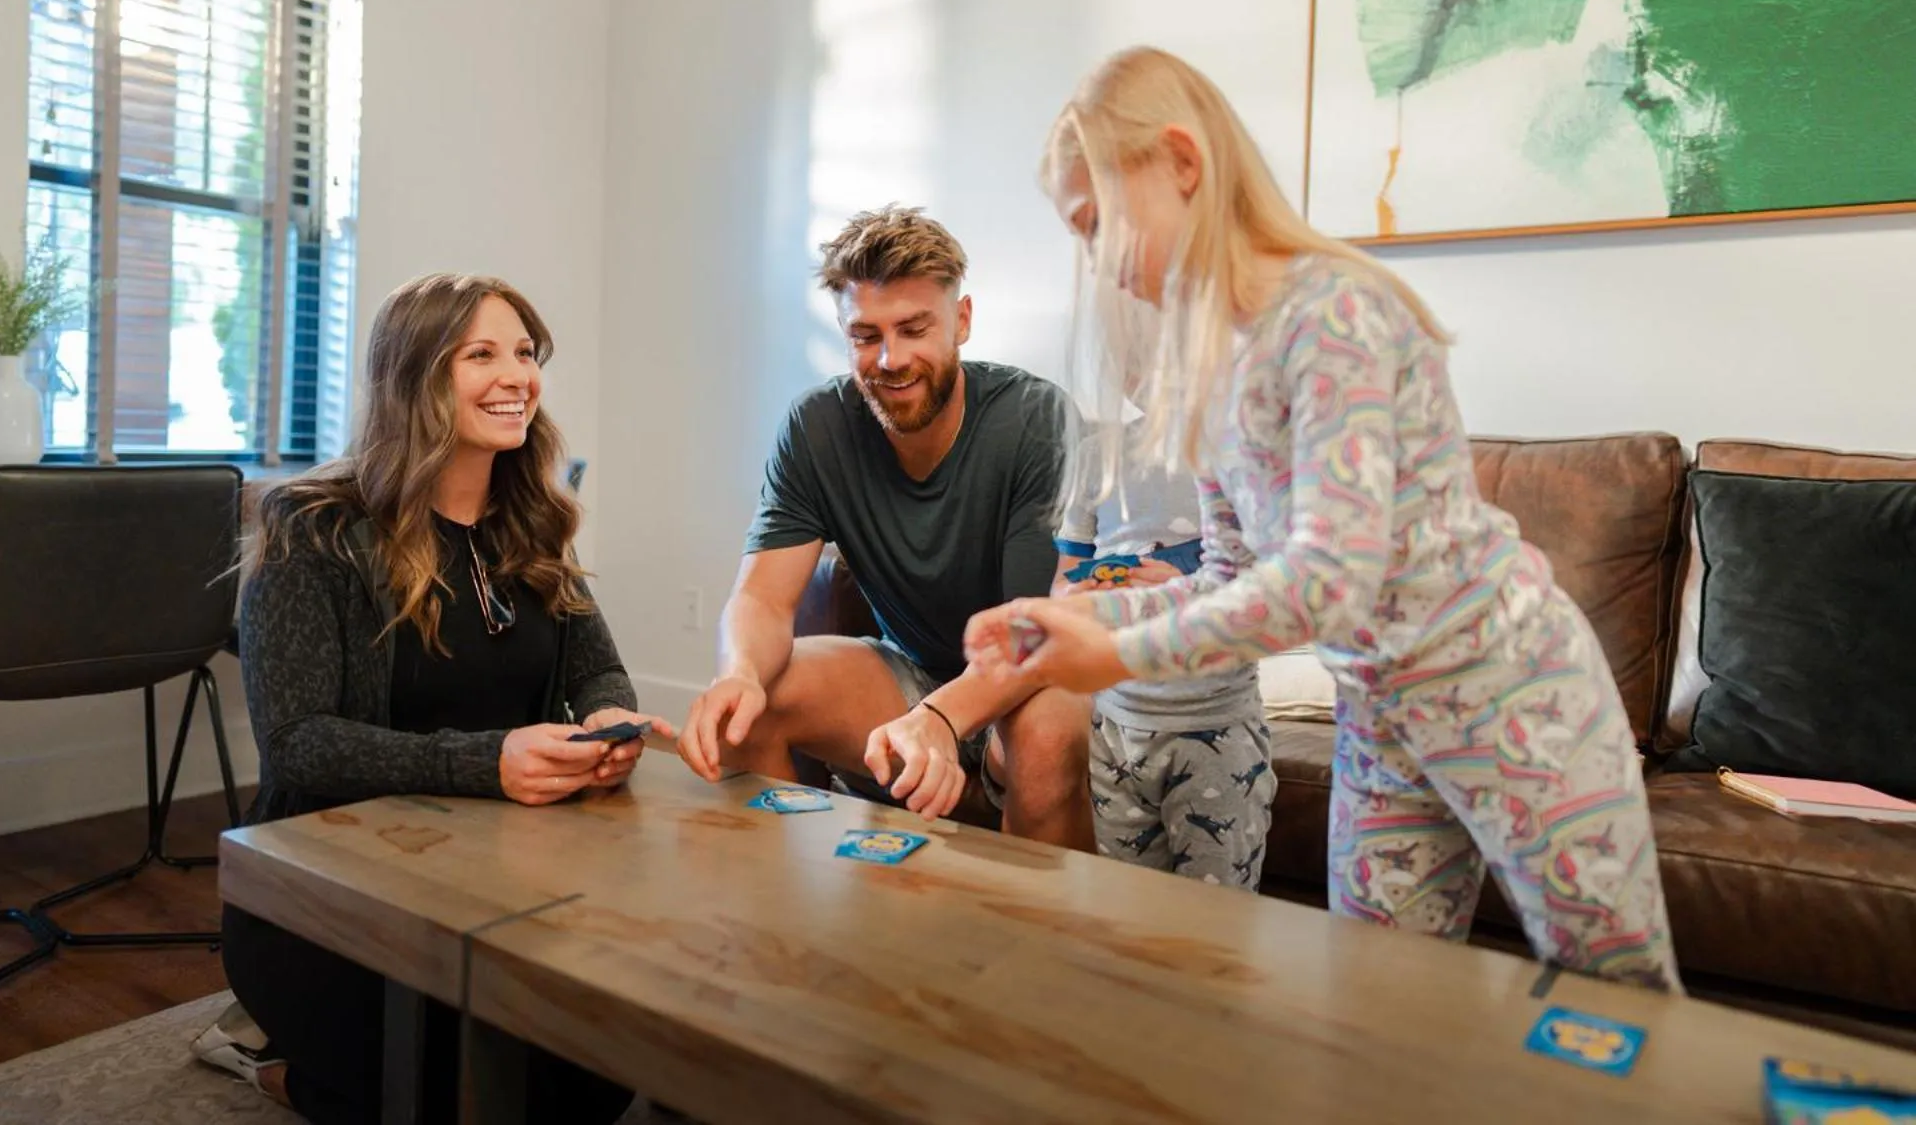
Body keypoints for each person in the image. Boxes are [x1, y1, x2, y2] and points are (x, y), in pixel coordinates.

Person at [967, 48, 1681, 991]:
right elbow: (1229, 572)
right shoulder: (1213, 370)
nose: (1096, 263)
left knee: (1622, 999)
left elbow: (1327, 578)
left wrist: (1119, 655)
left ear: (1182, 163)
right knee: (1377, 999)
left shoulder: (1334, 313)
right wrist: (1083, 620)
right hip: (1382, 717)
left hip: (1511, 693)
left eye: (1096, 226)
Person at [195, 273, 671, 1122]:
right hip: (332, 892)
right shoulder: (314, 528)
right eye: (479, 353)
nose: (516, 375)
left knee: (595, 1078)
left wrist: (606, 718)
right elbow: (298, 743)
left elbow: (596, 668)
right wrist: (487, 760)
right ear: (414, 375)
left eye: (525, 353)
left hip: (494, 876)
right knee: (462, 1094)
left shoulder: (531, 520)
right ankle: (265, 1061)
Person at [677, 205, 1093, 849]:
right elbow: (762, 596)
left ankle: (1039, 947)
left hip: (1034, 676)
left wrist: (940, 719)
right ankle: (775, 928)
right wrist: (738, 673)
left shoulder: (1035, 417)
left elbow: (1032, 633)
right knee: (749, 706)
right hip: (914, 669)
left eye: (913, 328)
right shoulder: (816, 425)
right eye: (866, 335)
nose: (890, 358)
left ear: (961, 321)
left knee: (1039, 733)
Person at [1056, 416, 1276, 889]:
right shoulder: (1097, 455)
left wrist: (1182, 594)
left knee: (1217, 926)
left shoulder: (1243, 452)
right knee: (1127, 914)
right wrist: (1081, 598)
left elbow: (1270, 603)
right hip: (1115, 728)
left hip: (1215, 728)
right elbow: (1063, 585)